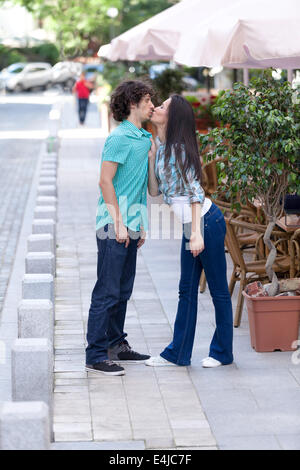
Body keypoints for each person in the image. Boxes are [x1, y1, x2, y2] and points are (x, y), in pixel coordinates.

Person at [145, 94, 233, 368]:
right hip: (193, 226)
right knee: (186, 291)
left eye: (162, 107)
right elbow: (155, 191)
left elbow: (196, 191)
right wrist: (150, 156)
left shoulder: (179, 149)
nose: (157, 108)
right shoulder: (163, 148)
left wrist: (195, 233)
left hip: (206, 222)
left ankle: (222, 353)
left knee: (218, 290)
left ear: (173, 117)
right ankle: (178, 353)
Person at [85, 80, 155, 376]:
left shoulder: (142, 138)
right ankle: (96, 354)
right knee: (107, 291)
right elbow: (105, 181)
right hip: (113, 226)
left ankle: (116, 344)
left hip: (132, 225)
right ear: (132, 104)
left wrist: (139, 225)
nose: (152, 105)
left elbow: (149, 189)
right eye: (148, 100)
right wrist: (119, 223)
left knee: (123, 291)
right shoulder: (119, 138)